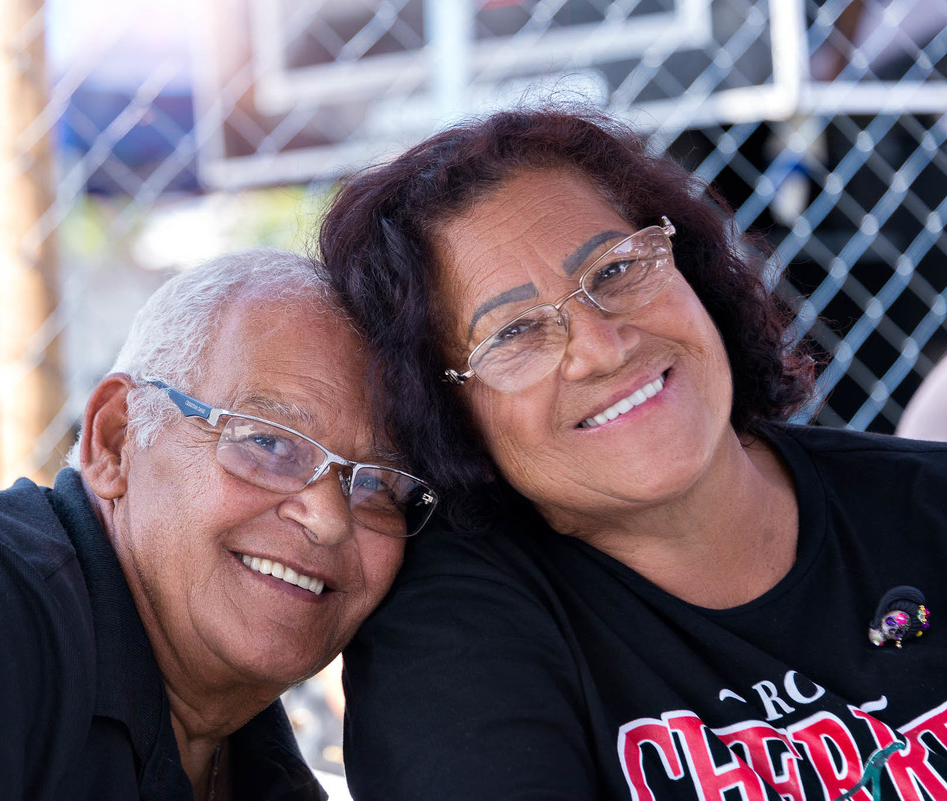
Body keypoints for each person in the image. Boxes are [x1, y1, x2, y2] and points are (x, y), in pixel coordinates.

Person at [318, 106, 947, 800]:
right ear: (447, 414)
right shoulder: (452, 633)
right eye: (515, 332)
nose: (601, 347)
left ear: (690, 269)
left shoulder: (928, 504)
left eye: (615, 269)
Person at [0, 249, 438, 801]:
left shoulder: (259, 765)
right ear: (115, 440)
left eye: (378, 483)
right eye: (267, 442)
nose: (328, 517)